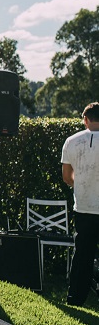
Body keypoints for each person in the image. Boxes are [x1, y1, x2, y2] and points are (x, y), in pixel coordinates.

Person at [62, 101, 99, 306]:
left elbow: (67, 177)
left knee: (82, 256)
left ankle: (75, 299)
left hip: (84, 207)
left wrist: (83, 182)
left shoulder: (72, 141)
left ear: (85, 119)